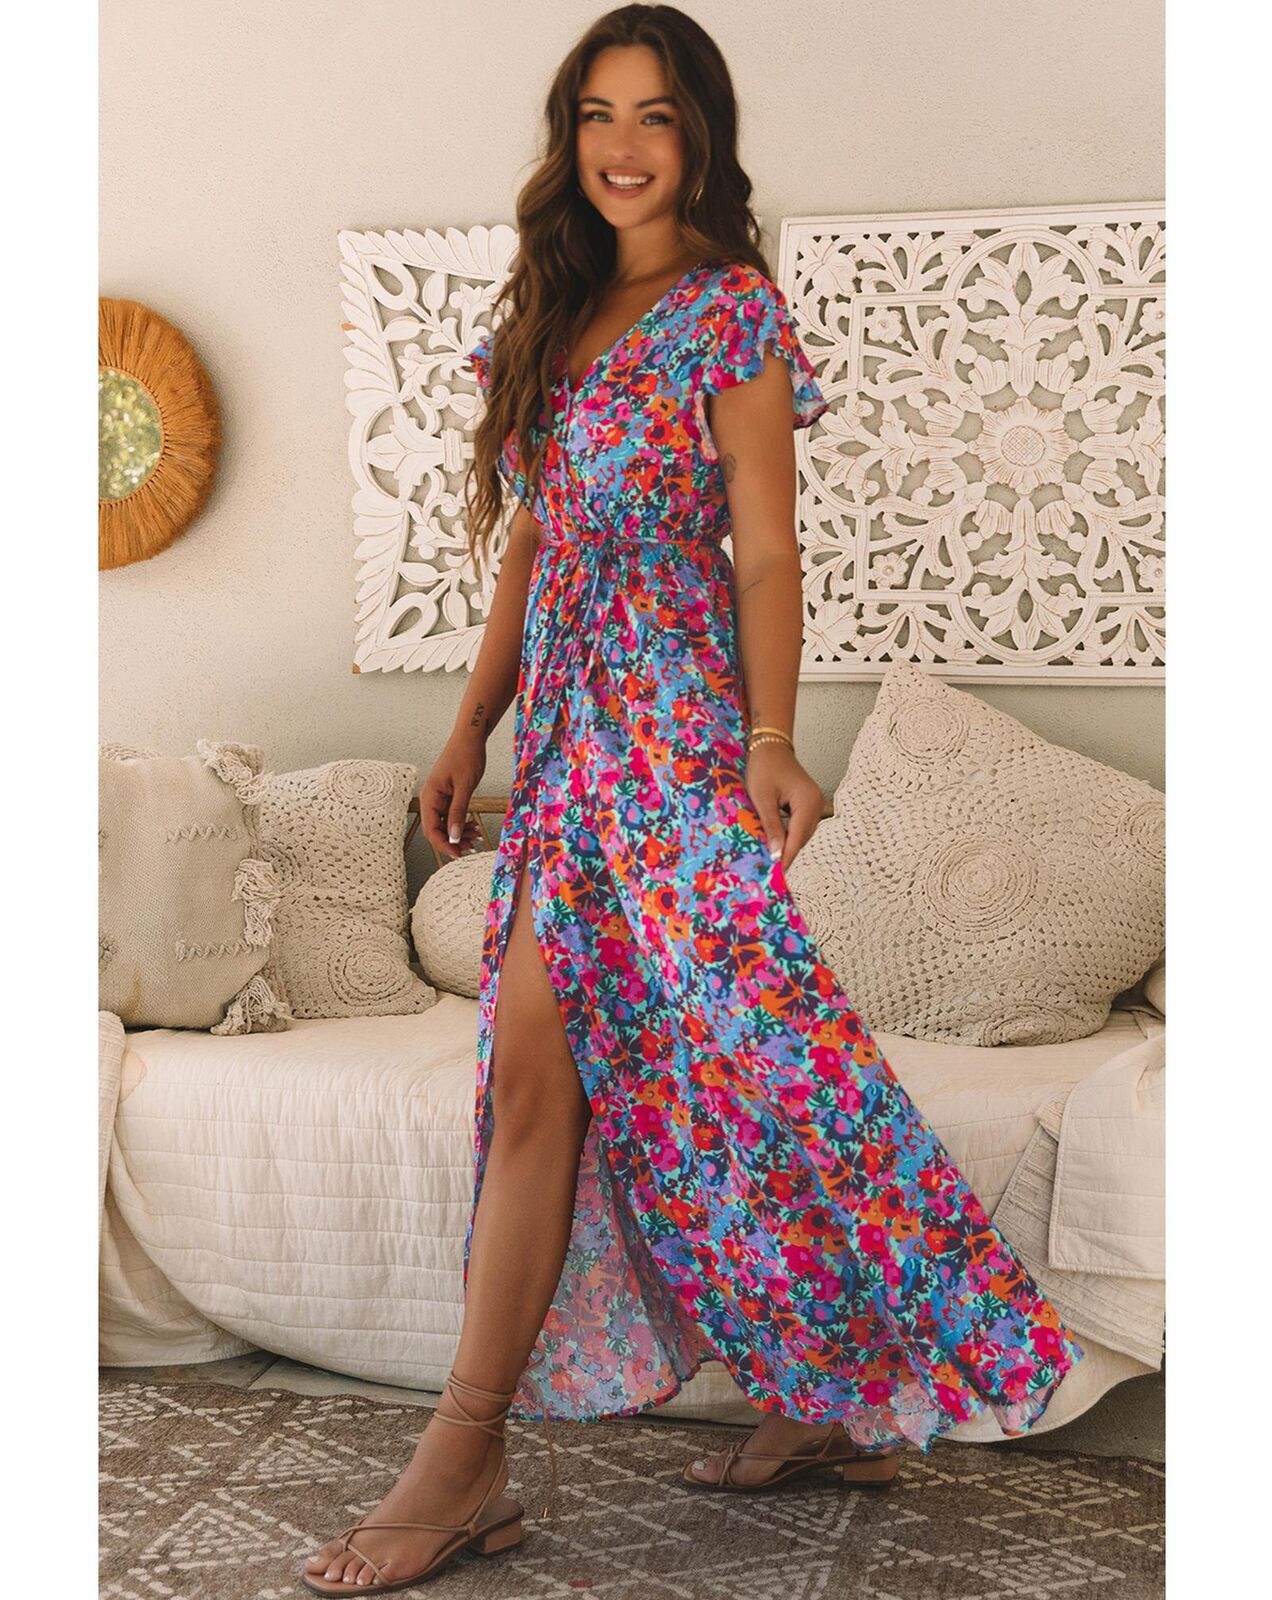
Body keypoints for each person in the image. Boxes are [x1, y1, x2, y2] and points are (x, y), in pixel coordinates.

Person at [303, 5, 1084, 1593]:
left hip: (672, 745)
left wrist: (773, 739)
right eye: (597, 114)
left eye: (654, 116)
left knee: (729, 1070)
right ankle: (813, 1402)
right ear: (569, 137)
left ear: (700, 138)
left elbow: (766, 549)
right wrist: (471, 726)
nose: (623, 146)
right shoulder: (551, 312)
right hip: (567, 752)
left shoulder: (730, 313)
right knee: (635, 1082)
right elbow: (534, 546)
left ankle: (468, 1455)